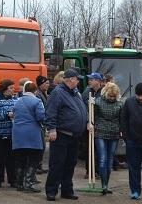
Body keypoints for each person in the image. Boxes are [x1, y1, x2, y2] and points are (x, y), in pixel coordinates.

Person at [44, 69, 90, 201]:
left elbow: (82, 109)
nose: (79, 81)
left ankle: (66, 190)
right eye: (77, 79)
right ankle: (51, 190)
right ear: (70, 79)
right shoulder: (58, 93)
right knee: (57, 163)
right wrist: (51, 129)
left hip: (74, 136)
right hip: (61, 135)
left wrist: (86, 121)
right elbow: (51, 112)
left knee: (70, 164)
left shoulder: (75, 93)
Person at [12, 81, 45, 193]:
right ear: (35, 91)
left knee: (19, 159)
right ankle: (29, 183)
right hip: (32, 134)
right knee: (33, 159)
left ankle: (19, 184)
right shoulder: (37, 101)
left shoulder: (17, 101)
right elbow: (41, 116)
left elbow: (14, 114)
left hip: (18, 134)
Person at [93, 82, 122, 195]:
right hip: (100, 132)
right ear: (106, 93)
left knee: (109, 161)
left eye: (113, 96)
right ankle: (103, 185)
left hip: (114, 133)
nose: (111, 98)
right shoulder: (98, 102)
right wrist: (91, 124)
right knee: (102, 159)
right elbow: (93, 116)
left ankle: (106, 184)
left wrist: (122, 130)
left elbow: (121, 119)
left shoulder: (120, 104)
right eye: (110, 96)